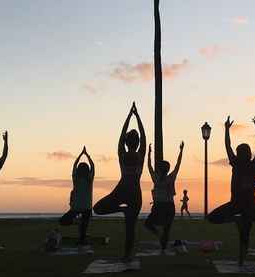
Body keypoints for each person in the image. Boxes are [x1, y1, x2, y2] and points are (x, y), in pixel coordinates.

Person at [93, 103, 146, 261]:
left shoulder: (122, 154)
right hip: (132, 192)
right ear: (135, 143)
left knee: (98, 209)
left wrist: (129, 116)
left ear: (126, 142)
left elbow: (123, 136)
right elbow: (144, 137)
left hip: (123, 190)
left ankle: (126, 255)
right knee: (130, 228)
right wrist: (137, 117)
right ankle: (126, 255)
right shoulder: (140, 155)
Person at [208, 116, 255, 266]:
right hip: (239, 203)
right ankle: (237, 221)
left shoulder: (247, 164)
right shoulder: (242, 164)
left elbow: (229, 146)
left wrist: (226, 130)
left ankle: (241, 261)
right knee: (214, 218)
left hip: (246, 204)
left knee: (244, 234)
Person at [144, 141, 184, 252]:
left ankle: (160, 239)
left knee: (148, 224)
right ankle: (163, 246)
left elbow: (149, 166)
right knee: (166, 229)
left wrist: (149, 153)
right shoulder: (170, 177)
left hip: (160, 206)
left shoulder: (156, 179)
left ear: (160, 169)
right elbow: (178, 165)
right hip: (168, 206)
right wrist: (181, 151)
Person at [59, 147, 95, 245]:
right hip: (84, 208)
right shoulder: (88, 180)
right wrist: (86, 155)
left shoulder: (77, 179)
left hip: (79, 208)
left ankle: (81, 232)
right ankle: (80, 227)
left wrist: (81, 155)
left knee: (63, 221)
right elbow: (93, 165)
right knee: (82, 225)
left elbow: (75, 165)